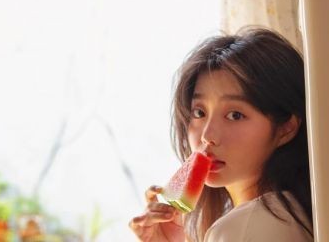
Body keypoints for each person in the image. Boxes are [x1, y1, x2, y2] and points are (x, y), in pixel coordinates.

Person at [128, 27, 313, 242]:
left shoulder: (241, 227)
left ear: (286, 127)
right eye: (199, 112)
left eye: (235, 115)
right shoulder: (291, 214)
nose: (207, 135)